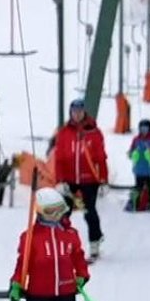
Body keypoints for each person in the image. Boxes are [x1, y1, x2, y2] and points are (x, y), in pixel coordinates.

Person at [49, 98, 109, 259]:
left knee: (89, 211)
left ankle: (95, 242)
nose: (76, 115)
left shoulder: (94, 133)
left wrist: (103, 179)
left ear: (84, 112)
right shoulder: (64, 133)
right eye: (74, 112)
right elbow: (59, 158)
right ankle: (63, 246)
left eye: (79, 112)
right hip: (69, 180)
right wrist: (60, 180)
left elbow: (101, 158)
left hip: (89, 180)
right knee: (63, 213)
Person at [129, 119, 150, 211]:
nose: (144, 130)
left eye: (146, 128)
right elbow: (131, 152)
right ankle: (136, 205)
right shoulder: (136, 140)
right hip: (139, 170)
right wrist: (133, 154)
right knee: (138, 189)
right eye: (142, 128)